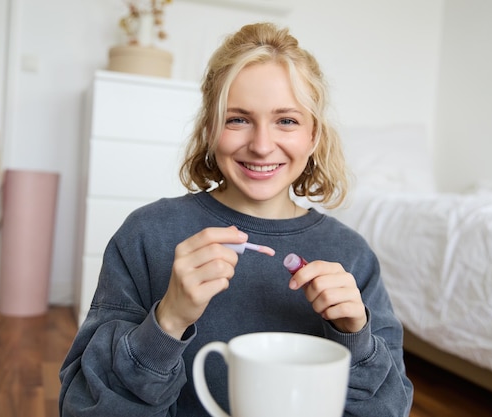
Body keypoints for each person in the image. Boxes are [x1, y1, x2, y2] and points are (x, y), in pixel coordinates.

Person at [59, 22, 413, 416]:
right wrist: (169, 319)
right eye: (238, 119)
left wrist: (356, 339)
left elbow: (391, 408)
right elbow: (83, 406)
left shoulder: (352, 255)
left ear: (314, 136)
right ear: (210, 129)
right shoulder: (147, 235)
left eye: (287, 121)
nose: (262, 146)